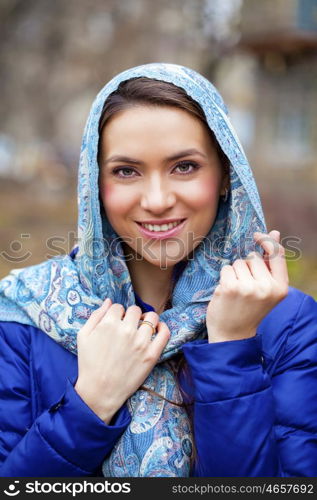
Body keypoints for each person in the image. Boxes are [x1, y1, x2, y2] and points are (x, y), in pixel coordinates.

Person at [0, 63, 316, 478]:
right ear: (94, 184)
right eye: (126, 171)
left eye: (184, 166)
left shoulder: (286, 321)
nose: (156, 199)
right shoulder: (24, 314)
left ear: (225, 175)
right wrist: (91, 402)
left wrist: (232, 349)